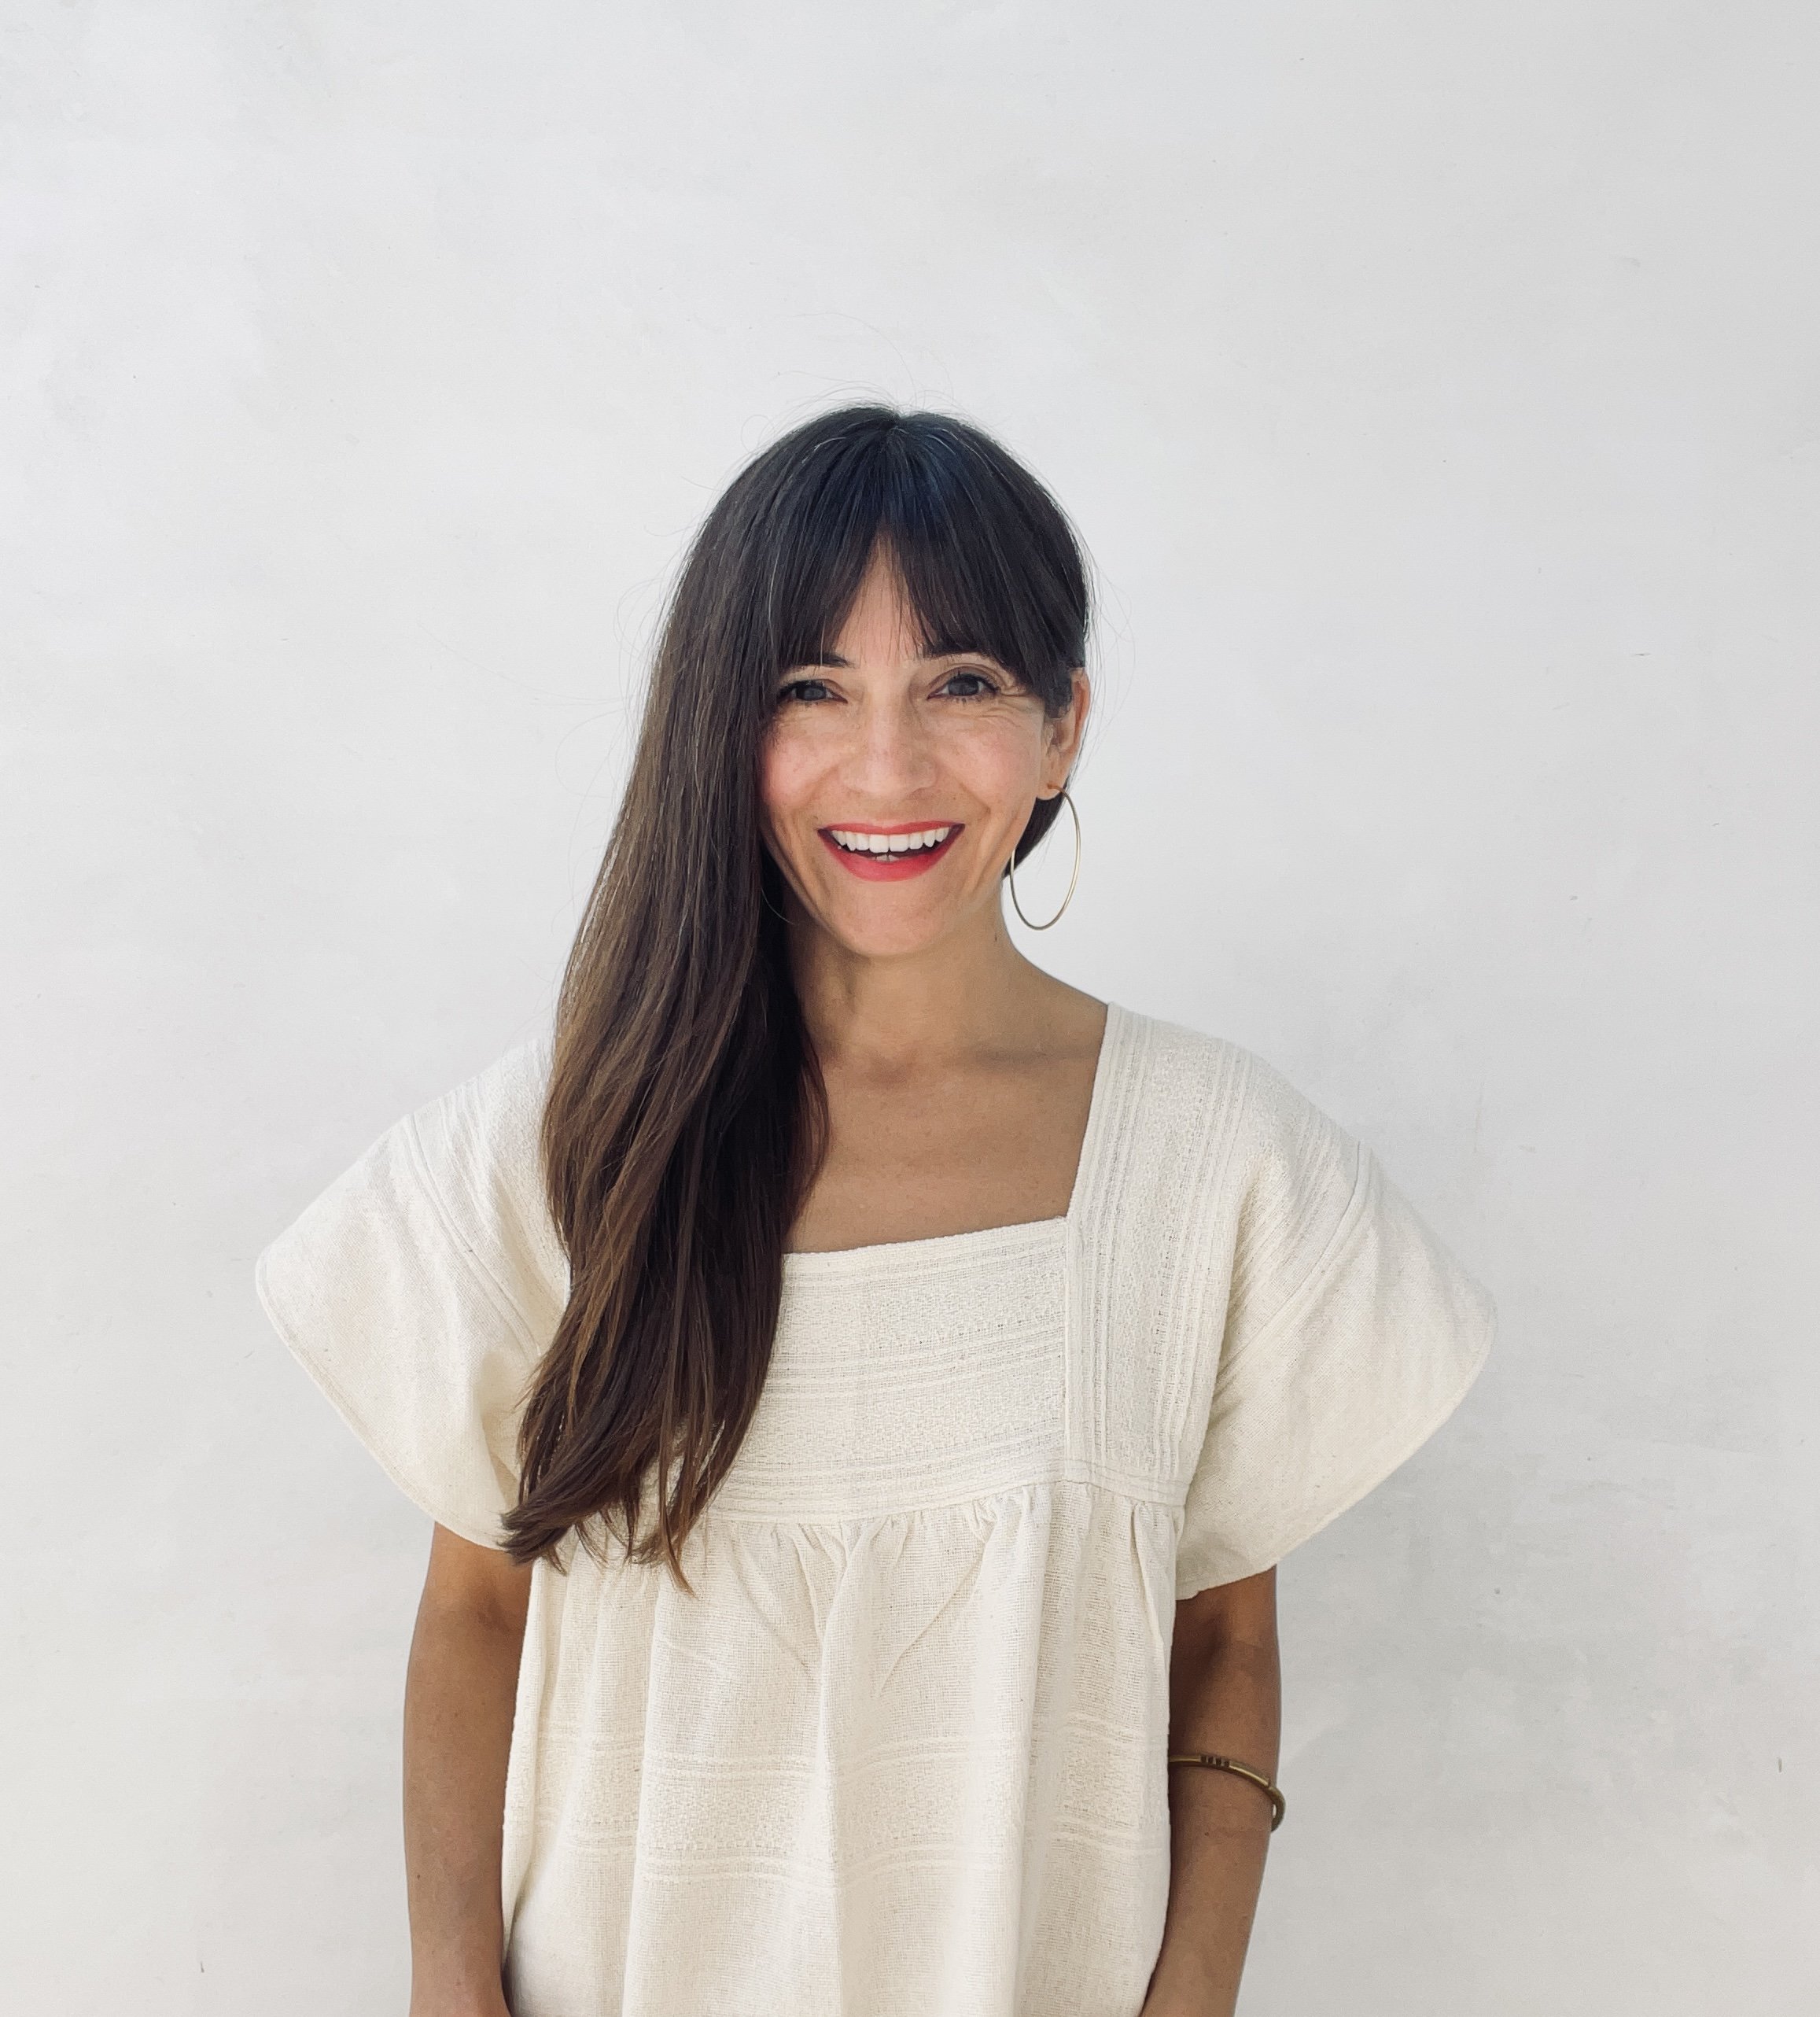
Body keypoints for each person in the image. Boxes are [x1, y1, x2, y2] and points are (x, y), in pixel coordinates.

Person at [255, 404, 1496, 2017]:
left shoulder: (1218, 1165)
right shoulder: (573, 1138)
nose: (888, 766)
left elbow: (1222, 1648)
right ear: (723, 726)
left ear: (1062, 727)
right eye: (810, 689)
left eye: (960, 684)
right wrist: (448, 1988)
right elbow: (478, 1608)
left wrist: (1188, 2002)